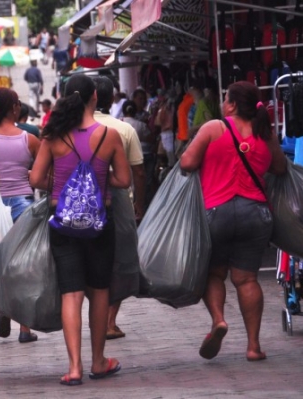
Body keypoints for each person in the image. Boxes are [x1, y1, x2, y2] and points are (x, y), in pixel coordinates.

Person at [29, 74, 131, 385]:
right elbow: (124, 180)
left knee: (70, 294)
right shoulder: (109, 135)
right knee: (99, 291)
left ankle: (74, 368)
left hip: (63, 222)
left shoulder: (53, 136)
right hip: (100, 223)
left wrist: (64, 185)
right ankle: (98, 361)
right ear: (95, 99)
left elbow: (35, 180)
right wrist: (96, 181)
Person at [180, 81, 287, 362]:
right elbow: (279, 168)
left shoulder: (213, 128)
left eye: (225, 98)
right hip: (256, 214)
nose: (222, 102)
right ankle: (253, 346)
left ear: (233, 104)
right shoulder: (266, 133)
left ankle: (218, 320)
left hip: (217, 212)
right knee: (247, 278)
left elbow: (187, 163)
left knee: (214, 273)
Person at [0, 88, 41, 344]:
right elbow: (45, 171)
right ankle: (25, 327)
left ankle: (4, 306)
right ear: (14, 108)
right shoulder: (30, 139)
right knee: (24, 266)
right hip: (23, 206)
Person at [93, 77, 145, 340]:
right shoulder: (123, 130)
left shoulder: (75, 127)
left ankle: (95, 318)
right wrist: (140, 204)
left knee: (93, 261)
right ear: (112, 99)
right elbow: (137, 171)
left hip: (84, 203)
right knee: (121, 260)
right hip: (121, 201)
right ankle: (110, 322)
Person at [123, 100, 156, 210]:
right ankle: (143, 205)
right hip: (143, 156)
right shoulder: (140, 125)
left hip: (125, 158)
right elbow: (150, 138)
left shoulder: (118, 123)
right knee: (144, 181)